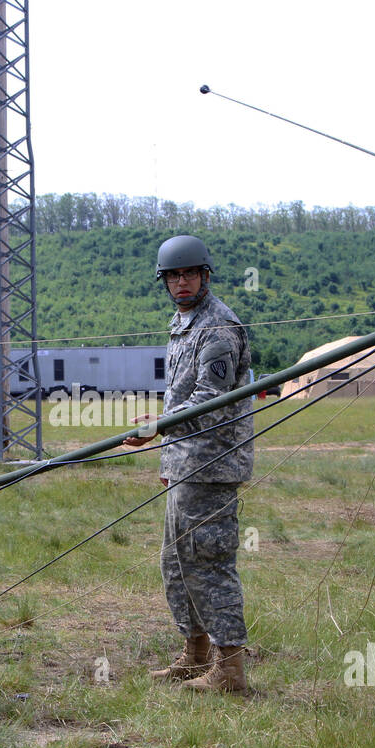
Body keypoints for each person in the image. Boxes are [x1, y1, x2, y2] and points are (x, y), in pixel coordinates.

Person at [125, 235, 254, 693]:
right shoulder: (183, 323)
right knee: (177, 562)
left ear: (204, 275)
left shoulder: (218, 327)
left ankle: (229, 668)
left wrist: (158, 427)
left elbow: (209, 400)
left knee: (208, 562)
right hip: (186, 462)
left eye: (189, 274)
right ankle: (195, 653)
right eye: (173, 276)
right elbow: (178, 396)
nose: (181, 282)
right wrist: (168, 454)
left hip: (213, 465)